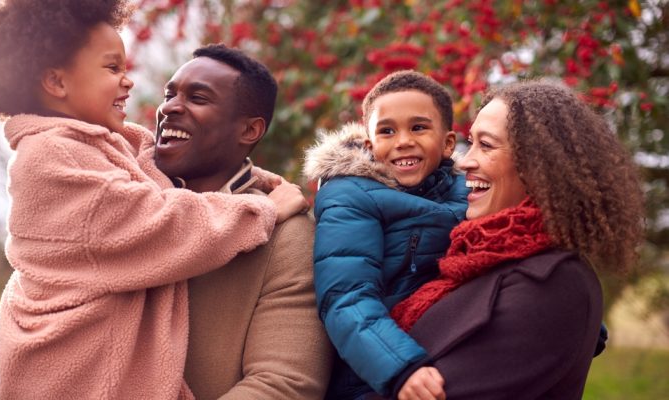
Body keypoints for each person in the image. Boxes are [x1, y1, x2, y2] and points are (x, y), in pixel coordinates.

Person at [0, 1, 306, 398]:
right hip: (62, 376)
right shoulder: (50, 157)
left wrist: (263, 183)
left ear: (250, 129)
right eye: (112, 68)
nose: (130, 83)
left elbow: (146, 159)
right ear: (57, 83)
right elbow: (156, 224)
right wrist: (263, 209)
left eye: (197, 97)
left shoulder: (104, 147)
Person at [386, 80, 644, 400]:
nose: (465, 161)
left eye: (487, 145)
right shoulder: (470, 260)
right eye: (471, 143)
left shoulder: (555, 282)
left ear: (539, 166)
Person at [154, 44, 333, 399]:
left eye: (198, 98)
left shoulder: (286, 238)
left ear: (250, 130)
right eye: (170, 93)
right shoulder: (122, 204)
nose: (170, 107)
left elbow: (283, 384)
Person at [304, 70, 469, 399]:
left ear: (448, 143)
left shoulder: (468, 192)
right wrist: (399, 367)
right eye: (387, 131)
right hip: (373, 373)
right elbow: (346, 297)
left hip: (453, 345)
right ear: (370, 144)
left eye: (418, 127)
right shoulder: (349, 195)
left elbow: (510, 245)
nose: (403, 141)